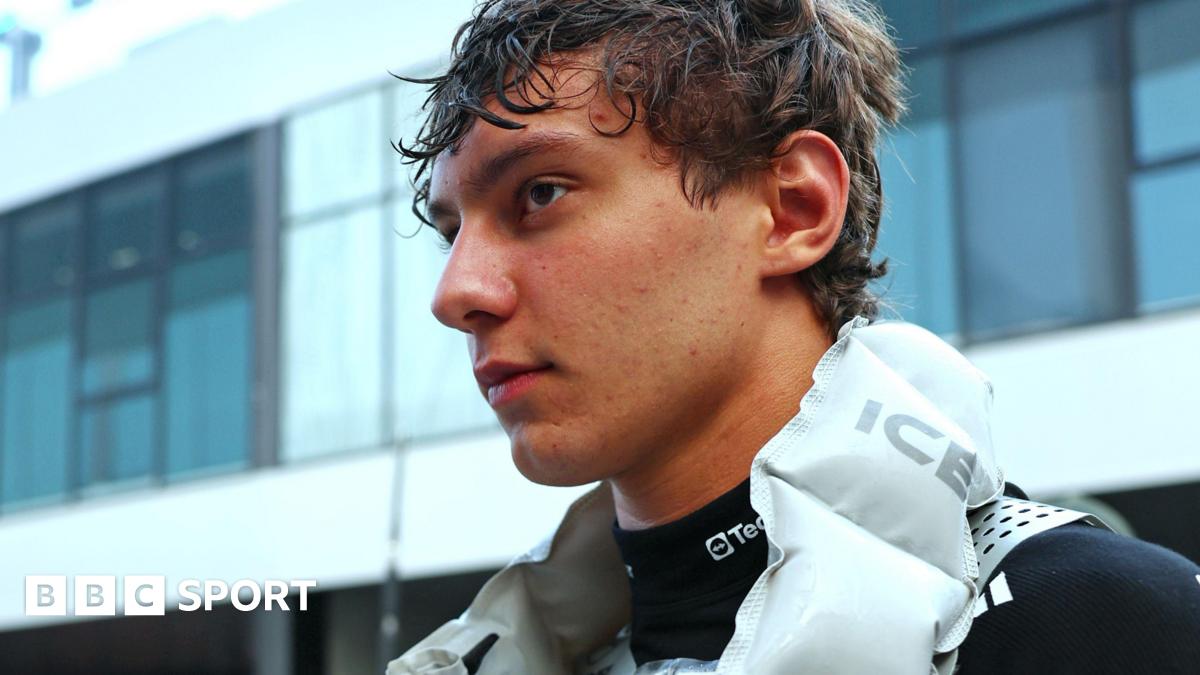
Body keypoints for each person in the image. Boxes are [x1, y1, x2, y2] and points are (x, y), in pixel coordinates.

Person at [388, 0, 1200, 673]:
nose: (456, 292)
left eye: (541, 193)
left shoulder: (1107, 625)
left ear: (794, 210)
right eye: (452, 230)